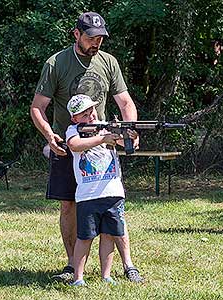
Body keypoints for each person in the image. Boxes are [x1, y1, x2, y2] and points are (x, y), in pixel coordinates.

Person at [30, 11, 140, 281]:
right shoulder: (57, 63)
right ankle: (72, 266)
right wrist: (49, 136)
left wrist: (129, 131)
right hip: (67, 145)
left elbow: (125, 103)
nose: (96, 43)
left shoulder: (109, 62)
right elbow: (37, 107)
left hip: (101, 147)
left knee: (110, 205)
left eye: (100, 38)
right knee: (68, 205)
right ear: (76, 34)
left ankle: (122, 266)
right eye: (91, 37)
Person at [65, 94, 142, 286]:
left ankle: (106, 275)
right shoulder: (73, 130)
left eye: (91, 110)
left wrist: (130, 136)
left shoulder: (106, 126)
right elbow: (74, 145)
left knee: (109, 235)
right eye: (84, 114)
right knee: (85, 238)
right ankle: (78, 277)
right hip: (88, 195)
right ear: (75, 118)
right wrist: (103, 138)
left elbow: (127, 145)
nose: (90, 115)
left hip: (112, 192)